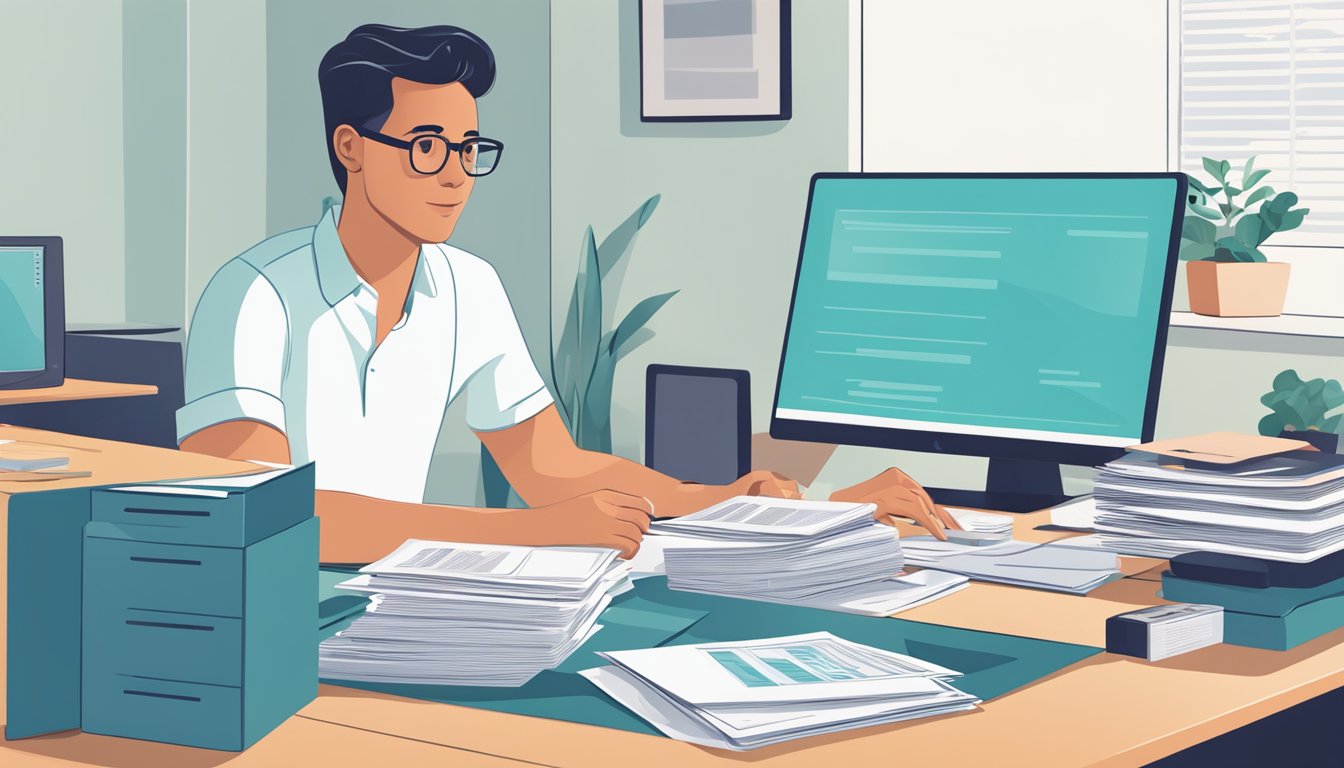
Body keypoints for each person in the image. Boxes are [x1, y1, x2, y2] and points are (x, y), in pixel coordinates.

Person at [177, 24, 962, 563]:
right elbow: (263, 517)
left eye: (468, 147)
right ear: (351, 148)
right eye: (424, 147)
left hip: (401, 606)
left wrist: (723, 500)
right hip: (268, 626)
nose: (455, 174)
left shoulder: (466, 287)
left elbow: (552, 466)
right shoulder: (255, 297)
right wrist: (528, 536)